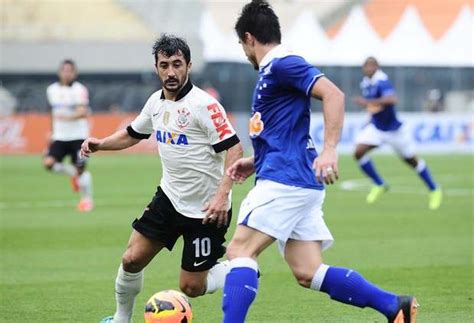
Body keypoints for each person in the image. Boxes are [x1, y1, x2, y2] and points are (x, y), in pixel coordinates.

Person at [221, 1, 418, 323]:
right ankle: (395, 306)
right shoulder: (275, 71)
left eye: (242, 45)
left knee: (241, 251)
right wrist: (256, 160)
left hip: (286, 180)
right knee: (308, 271)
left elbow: (334, 94)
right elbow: (287, 132)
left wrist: (330, 149)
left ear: (249, 38)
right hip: (294, 177)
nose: (244, 52)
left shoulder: (283, 63)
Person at [80, 34, 243, 323]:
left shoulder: (204, 105)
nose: (170, 72)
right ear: (156, 68)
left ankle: (242, 266)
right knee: (131, 259)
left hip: (207, 210)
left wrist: (222, 195)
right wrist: (101, 143)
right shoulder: (155, 102)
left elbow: (234, 148)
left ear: (189, 66)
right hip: (169, 199)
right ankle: (121, 319)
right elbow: (133, 133)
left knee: (191, 287)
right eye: (164, 65)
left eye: (177, 64)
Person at [353, 57, 442, 210]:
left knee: (412, 161)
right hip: (377, 128)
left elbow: (392, 99)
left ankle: (434, 189)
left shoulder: (382, 80)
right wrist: (370, 115)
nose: (367, 69)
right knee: (358, 152)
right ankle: (379, 184)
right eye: (365, 67)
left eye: (370, 66)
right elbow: (375, 107)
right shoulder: (366, 82)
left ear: (376, 67)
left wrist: (367, 103)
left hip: (394, 130)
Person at [43, 59, 93, 212]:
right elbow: (52, 112)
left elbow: (83, 111)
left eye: (69, 70)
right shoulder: (51, 90)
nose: (66, 73)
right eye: (64, 70)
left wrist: (67, 116)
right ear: (59, 72)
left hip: (78, 136)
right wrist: (51, 132)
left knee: (81, 169)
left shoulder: (80, 90)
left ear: (74, 73)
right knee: (49, 163)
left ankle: (87, 200)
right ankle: (73, 174)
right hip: (60, 136)